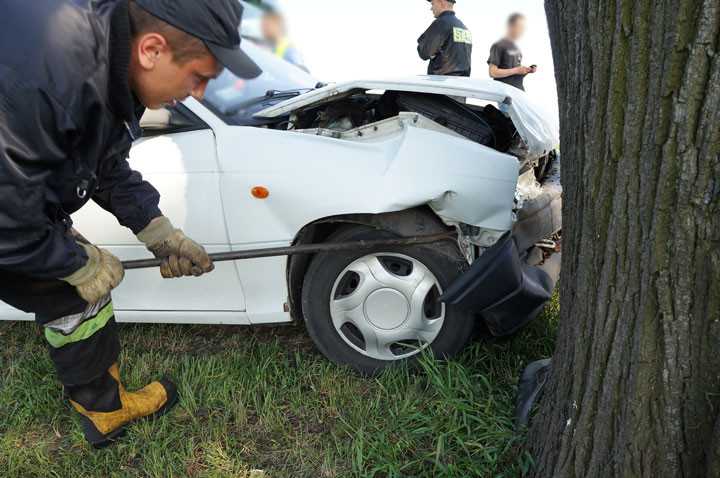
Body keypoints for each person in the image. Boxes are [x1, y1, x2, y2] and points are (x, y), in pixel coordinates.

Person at [0, 0, 261, 448]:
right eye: (198, 76)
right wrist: (77, 263)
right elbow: (7, 224)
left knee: (70, 282)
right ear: (152, 50)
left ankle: (103, 408)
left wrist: (159, 233)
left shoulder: (106, 71)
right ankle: (104, 408)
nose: (197, 93)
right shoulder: (48, 76)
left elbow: (102, 162)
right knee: (70, 278)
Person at [488, 13, 537, 101]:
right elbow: (493, 72)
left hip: (519, 94)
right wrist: (517, 70)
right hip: (506, 96)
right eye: (519, 26)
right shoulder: (498, 45)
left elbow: (514, 74)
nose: (521, 30)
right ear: (510, 26)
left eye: (523, 27)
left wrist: (527, 71)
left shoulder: (517, 48)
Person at [417, 0, 472, 77]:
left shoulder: (441, 23)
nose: (431, 8)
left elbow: (424, 52)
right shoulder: (463, 27)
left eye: (432, 4)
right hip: (462, 83)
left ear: (442, 3)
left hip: (442, 82)